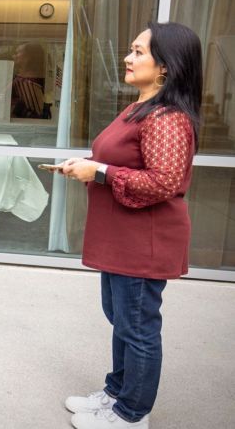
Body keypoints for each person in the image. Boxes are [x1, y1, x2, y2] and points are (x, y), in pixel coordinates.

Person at [56, 22, 203, 429]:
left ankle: (132, 413)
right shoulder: (141, 107)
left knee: (137, 328)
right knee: (121, 319)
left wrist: (99, 172)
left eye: (139, 52)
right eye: (131, 49)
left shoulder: (167, 118)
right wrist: (88, 167)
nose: (127, 57)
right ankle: (117, 392)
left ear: (166, 67)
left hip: (144, 242)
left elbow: (164, 182)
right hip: (122, 239)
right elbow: (118, 162)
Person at [11, 42, 48, 119]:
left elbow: (37, 115)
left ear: (28, 57)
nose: (14, 56)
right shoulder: (20, 79)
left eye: (18, 53)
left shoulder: (28, 83)